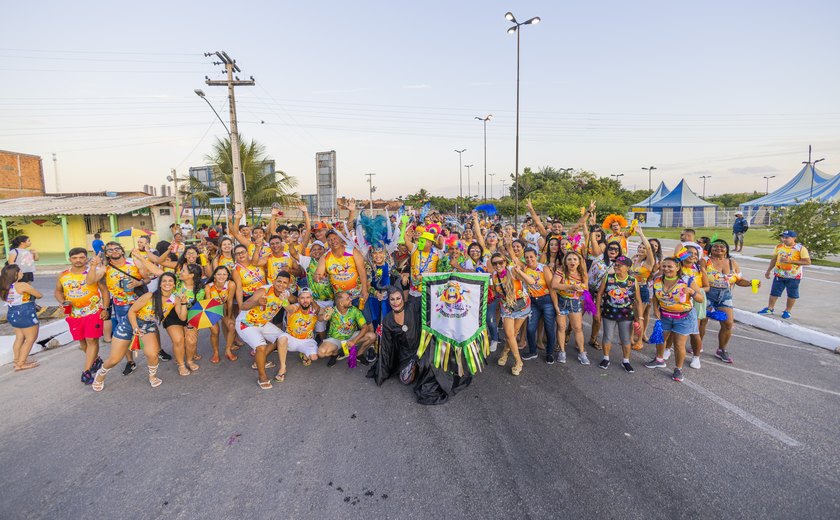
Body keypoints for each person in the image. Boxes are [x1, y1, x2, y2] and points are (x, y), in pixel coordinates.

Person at [91, 272, 183, 391]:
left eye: (170, 281)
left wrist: (184, 303)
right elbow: (132, 312)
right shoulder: (149, 296)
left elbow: (182, 317)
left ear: (174, 284)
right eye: (164, 281)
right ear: (160, 284)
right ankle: (101, 374)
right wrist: (135, 328)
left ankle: (152, 376)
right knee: (115, 359)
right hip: (129, 324)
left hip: (148, 327)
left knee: (153, 354)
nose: (167, 283)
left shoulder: (175, 299)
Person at [87, 242, 162, 375]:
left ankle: (158, 350)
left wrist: (139, 282)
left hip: (141, 302)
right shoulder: (105, 268)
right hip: (121, 306)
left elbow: (147, 279)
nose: (114, 251)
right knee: (126, 332)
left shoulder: (133, 263)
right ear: (107, 253)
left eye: (117, 249)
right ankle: (130, 361)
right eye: (110, 250)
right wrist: (93, 266)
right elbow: (90, 281)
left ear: (122, 251)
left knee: (151, 326)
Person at [645, 257, 705, 382]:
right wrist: (655, 309)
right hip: (664, 315)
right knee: (661, 339)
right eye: (664, 266)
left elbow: (700, 298)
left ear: (678, 267)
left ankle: (678, 369)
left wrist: (692, 292)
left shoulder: (687, 280)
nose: (666, 269)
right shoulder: (658, 280)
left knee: (679, 344)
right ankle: (659, 359)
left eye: (670, 266)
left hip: (684, 317)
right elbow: (656, 297)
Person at [55, 248, 108, 384]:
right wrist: (62, 302)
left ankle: (87, 371)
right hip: (74, 314)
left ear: (86, 259)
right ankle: (96, 360)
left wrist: (105, 308)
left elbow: (104, 291)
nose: (78, 260)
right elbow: (58, 291)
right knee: (82, 341)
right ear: (70, 259)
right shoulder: (63, 275)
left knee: (91, 340)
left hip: (93, 311)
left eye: (81, 257)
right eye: (75, 258)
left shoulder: (94, 273)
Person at [700, 239, 758, 364]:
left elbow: (738, 280)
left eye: (722, 247)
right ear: (711, 249)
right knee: (702, 321)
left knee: (728, 324)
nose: (718, 249)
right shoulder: (705, 261)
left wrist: (750, 283)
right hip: (707, 294)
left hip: (725, 295)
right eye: (715, 247)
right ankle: (697, 346)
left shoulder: (732, 263)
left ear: (726, 249)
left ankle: (721, 350)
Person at [236, 273, 297, 389]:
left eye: (285, 283)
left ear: (288, 285)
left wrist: (301, 302)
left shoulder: (285, 293)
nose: (281, 285)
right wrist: (257, 302)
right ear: (274, 281)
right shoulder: (264, 291)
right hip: (246, 323)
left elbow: (295, 299)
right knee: (261, 346)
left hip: (262, 323)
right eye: (279, 281)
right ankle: (262, 377)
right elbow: (243, 306)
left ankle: (259, 361)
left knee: (282, 338)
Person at [491, 251, 535, 376]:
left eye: (501, 262)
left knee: (514, 333)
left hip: (521, 306)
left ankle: (505, 352)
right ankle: (518, 362)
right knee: (509, 334)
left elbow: (531, 282)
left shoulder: (512, 271)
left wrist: (520, 271)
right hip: (507, 307)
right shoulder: (494, 276)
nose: (498, 265)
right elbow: (496, 292)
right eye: (495, 263)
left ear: (505, 262)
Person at [595, 255, 641, 372]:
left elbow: (638, 300)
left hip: (626, 315)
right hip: (608, 313)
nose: (616, 266)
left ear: (628, 267)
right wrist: (597, 311)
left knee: (625, 339)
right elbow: (599, 294)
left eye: (620, 265)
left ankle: (626, 361)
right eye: (615, 264)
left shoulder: (633, 281)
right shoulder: (608, 277)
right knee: (607, 337)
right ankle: (606, 358)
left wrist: (640, 317)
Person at [367, 287, 419, 386]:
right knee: (405, 380)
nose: (396, 302)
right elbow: (386, 346)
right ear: (389, 301)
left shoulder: (413, 306)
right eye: (392, 299)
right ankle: (412, 364)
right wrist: (383, 371)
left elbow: (429, 300)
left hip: (421, 347)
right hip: (406, 353)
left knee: (429, 371)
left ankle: (418, 364)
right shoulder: (387, 320)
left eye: (398, 298)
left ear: (403, 298)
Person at [758, 230, 810, 320]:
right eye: (783, 237)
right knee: (774, 292)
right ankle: (770, 308)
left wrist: (790, 261)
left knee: (792, 294)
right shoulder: (779, 247)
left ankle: (787, 311)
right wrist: (768, 270)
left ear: (794, 238)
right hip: (779, 275)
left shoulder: (800, 248)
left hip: (794, 276)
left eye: (787, 237)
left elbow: (807, 262)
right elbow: (774, 259)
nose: (784, 239)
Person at [317, 229, 369, 314]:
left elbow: (362, 271)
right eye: (329, 240)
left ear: (340, 238)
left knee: (365, 321)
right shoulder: (325, 257)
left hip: (357, 296)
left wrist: (364, 290)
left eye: (335, 238)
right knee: (341, 324)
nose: (333, 241)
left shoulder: (352, 251)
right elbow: (319, 272)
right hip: (340, 300)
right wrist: (318, 276)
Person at [1, 264, 42, 371]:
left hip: (12, 313)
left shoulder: (4, 286)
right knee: (30, 339)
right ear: (16, 274)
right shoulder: (22, 285)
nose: (22, 272)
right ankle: (21, 364)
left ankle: (17, 361)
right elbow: (39, 295)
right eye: (20, 271)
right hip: (25, 313)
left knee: (19, 338)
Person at [319, 291, 377, 367]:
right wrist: (323, 316)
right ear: (341, 303)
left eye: (350, 297)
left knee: (372, 336)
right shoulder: (331, 311)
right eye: (348, 299)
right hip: (335, 339)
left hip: (351, 337)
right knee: (321, 353)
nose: (351, 299)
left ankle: (359, 355)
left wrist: (354, 340)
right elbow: (319, 319)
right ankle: (335, 353)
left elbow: (365, 327)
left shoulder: (354, 310)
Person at [552, 251, 589, 365]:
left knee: (578, 328)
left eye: (575, 259)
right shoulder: (561, 271)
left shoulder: (583, 274)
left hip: (575, 302)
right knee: (561, 327)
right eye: (569, 259)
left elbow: (586, 289)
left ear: (579, 262)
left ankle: (582, 353)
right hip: (561, 301)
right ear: (565, 262)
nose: (572, 261)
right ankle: (562, 351)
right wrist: (571, 286)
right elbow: (554, 285)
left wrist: (582, 294)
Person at [522, 247, 558, 363]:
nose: (529, 259)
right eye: (526, 257)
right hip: (533, 302)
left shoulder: (544, 268)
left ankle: (549, 353)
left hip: (547, 301)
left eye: (531, 256)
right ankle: (532, 351)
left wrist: (556, 305)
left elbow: (552, 288)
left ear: (536, 256)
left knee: (549, 328)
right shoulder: (525, 269)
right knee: (530, 328)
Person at [201, 266, 237, 363]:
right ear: (214, 276)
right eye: (219, 274)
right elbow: (208, 303)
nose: (222, 276)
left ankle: (228, 350)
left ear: (228, 276)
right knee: (215, 332)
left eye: (224, 274)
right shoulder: (208, 286)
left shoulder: (231, 284)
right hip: (211, 309)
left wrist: (229, 316)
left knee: (232, 327)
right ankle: (216, 353)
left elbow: (229, 301)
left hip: (224, 308)